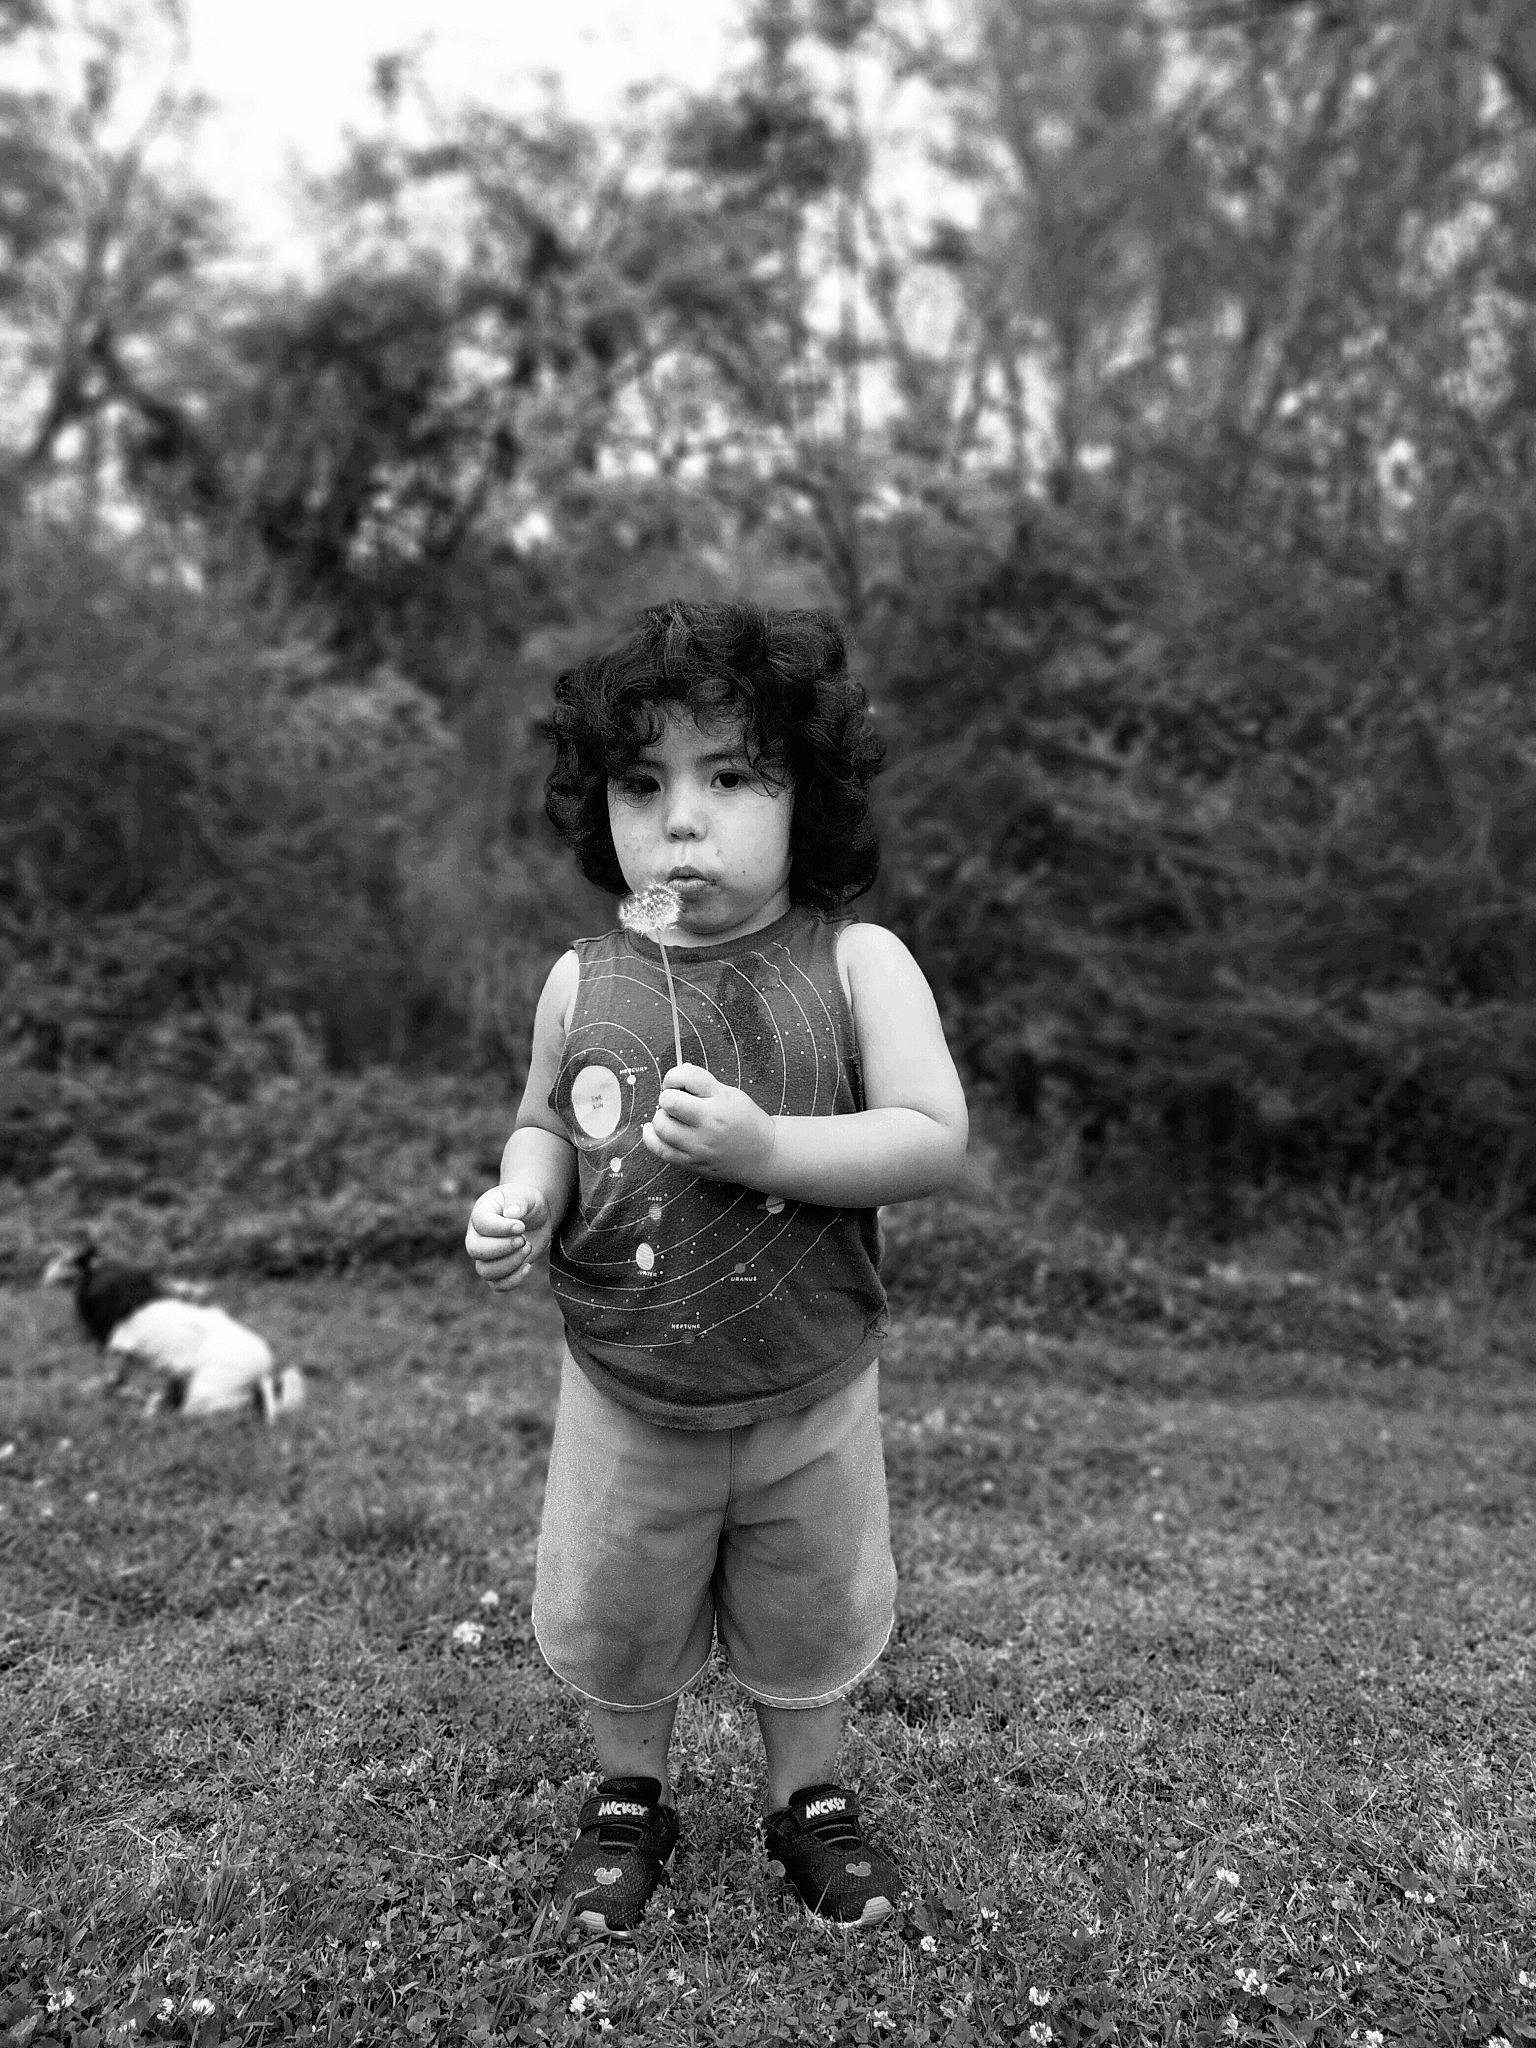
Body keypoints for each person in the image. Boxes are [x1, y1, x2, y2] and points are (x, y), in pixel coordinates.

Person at [465, 599, 968, 1936]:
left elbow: (931, 1136)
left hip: (808, 1383)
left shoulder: (859, 964)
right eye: (644, 784)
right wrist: (522, 1196)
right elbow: (542, 1119)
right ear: (604, 816)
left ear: (813, 797)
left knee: (809, 1612)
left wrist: (764, 1145)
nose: (683, 818)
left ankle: (810, 1802)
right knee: (619, 1606)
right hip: (628, 1385)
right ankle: (629, 1797)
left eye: (731, 776)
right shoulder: (584, 981)